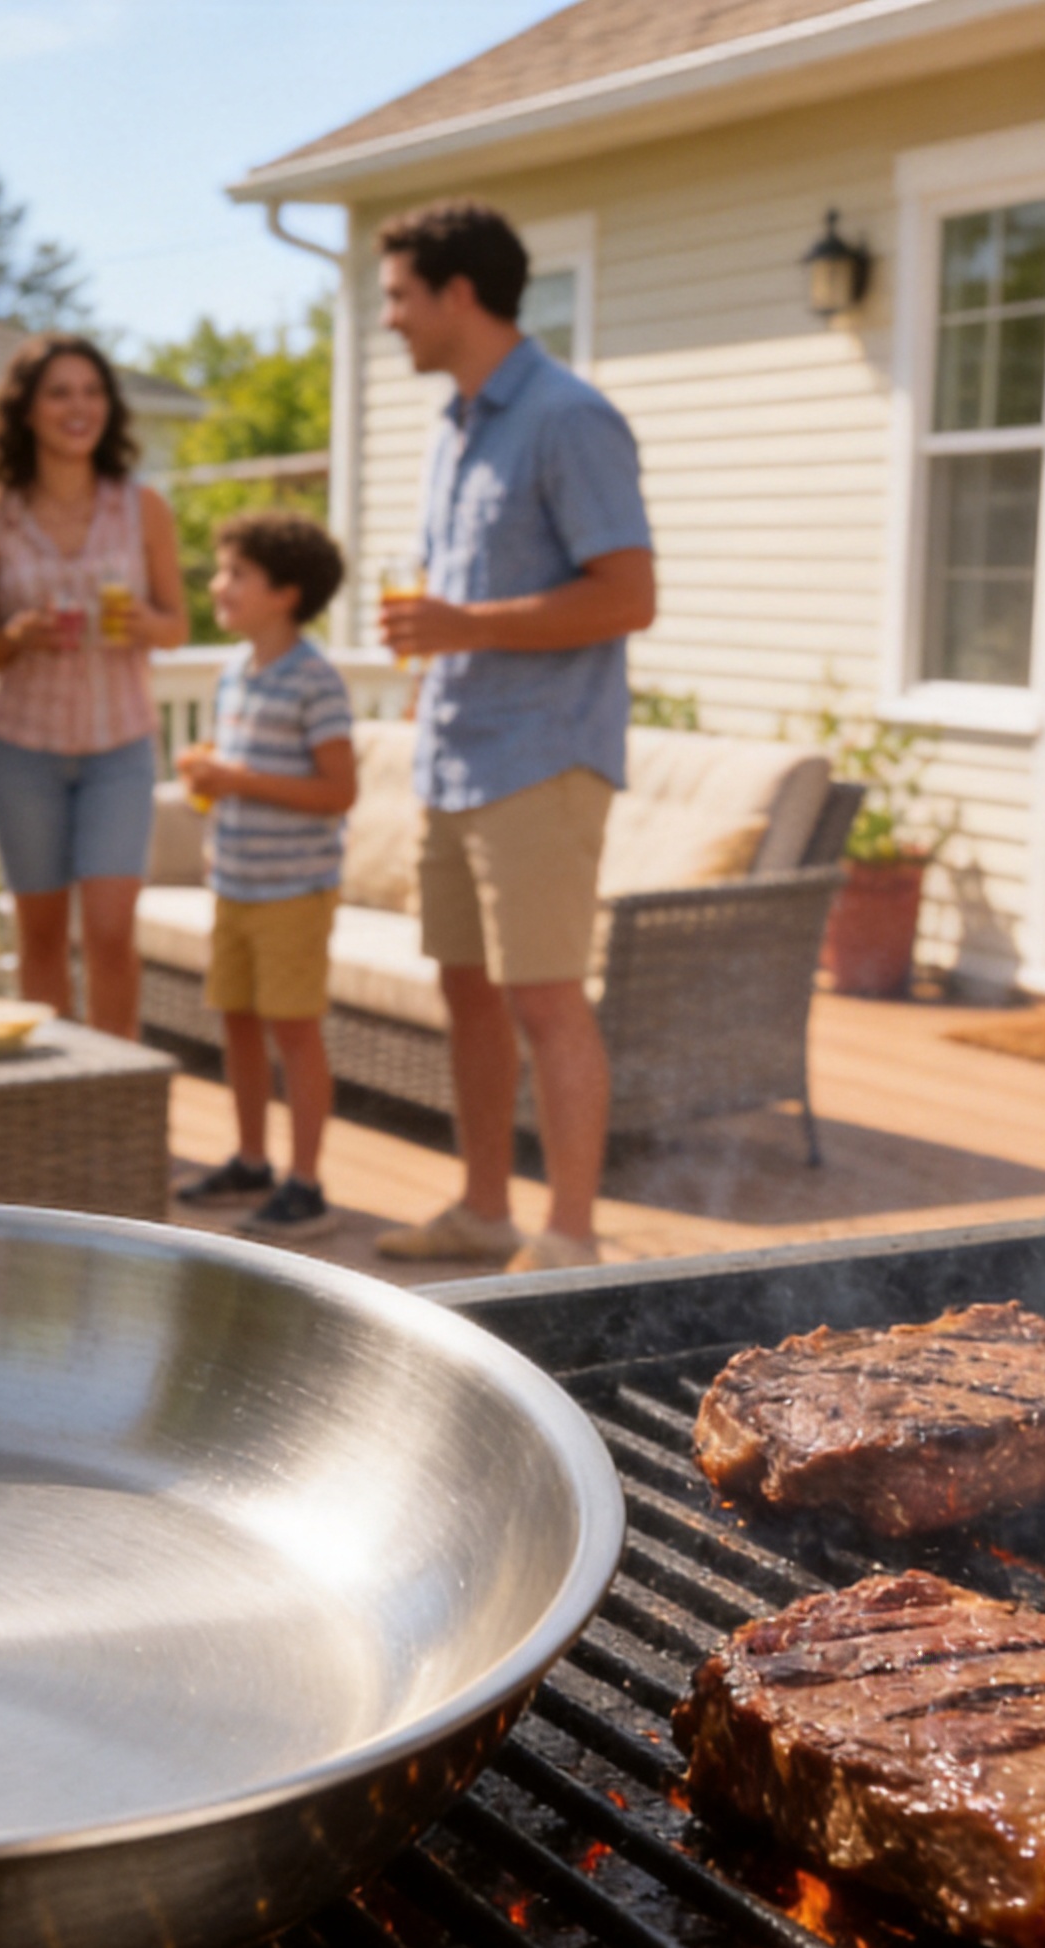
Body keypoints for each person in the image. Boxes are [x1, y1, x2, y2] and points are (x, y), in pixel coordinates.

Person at [368, 199, 657, 1275]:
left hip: (542, 757)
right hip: (457, 750)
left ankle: (571, 1237)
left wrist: (458, 625)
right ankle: (485, 1210)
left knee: (544, 998)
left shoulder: (568, 418)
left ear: (457, 294)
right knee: (467, 991)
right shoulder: (458, 426)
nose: (390, 318)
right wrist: (434, 672)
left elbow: (628, 596)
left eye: (399, 296)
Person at [0, 335, 188, 1034]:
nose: (78, 407)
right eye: (59, 392)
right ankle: (56, 1109)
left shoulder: (143, 508)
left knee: (113, 933)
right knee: (42, 937)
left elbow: (178, 626)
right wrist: (17, 636)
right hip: (24, 752)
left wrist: (142, 621)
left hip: (120, 747)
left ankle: (119, 1101)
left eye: (91, 392)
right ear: (25, 410)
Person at [171, 511, 356, 1238]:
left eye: (235, 574)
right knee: (238, 1024)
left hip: (294, 893)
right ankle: (251, 1159)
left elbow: (339, 791)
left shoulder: (317, 680)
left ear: (286, 592)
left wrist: (238, 778)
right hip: (236, 885)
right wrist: (212, 776)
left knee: (294, 1032)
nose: (218, 585)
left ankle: (305, 1183)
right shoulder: (233, 674)